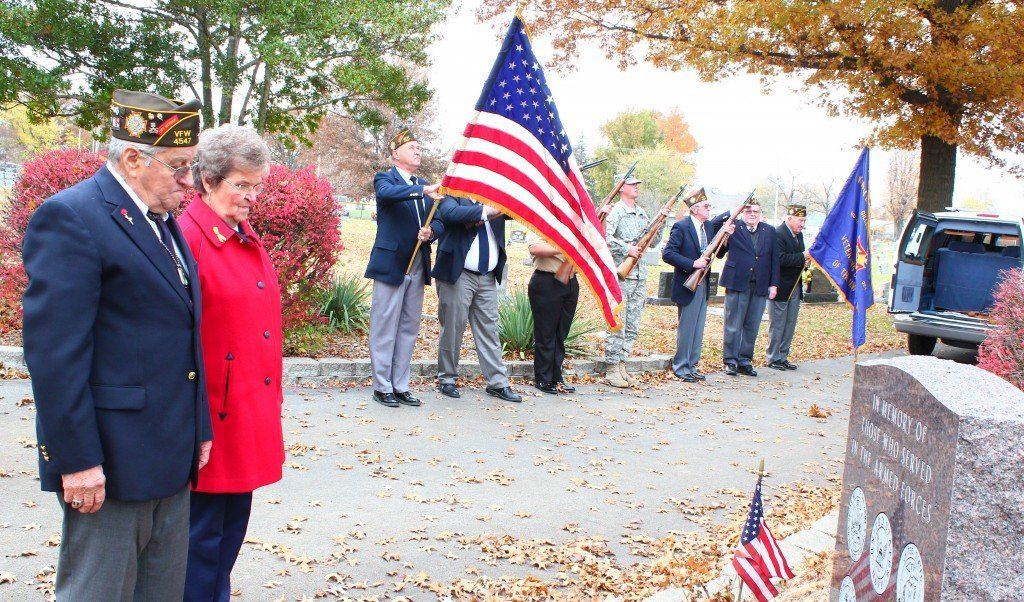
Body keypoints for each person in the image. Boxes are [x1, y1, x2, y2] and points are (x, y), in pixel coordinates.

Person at [21, 89, 211, 601]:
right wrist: (77, 461)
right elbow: (55, 357)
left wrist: (200, 425)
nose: (189, 182)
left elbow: (182, 333)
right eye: (178, 167)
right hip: (110, 463)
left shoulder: (161, 220)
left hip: (170, 454)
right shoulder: (72, 217)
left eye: (190, 167)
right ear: (132, 157)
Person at [178, 124, 284, 601]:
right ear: (207, 181)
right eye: (241, 185)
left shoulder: (242, 234)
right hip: (211, 420)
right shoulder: (188, 238)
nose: (251, 196)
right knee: (199, 543)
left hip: (245, 413)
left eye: (256, 185)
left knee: (228, 535)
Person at [366, 128, 445, 408]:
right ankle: (382, 386)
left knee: (408, 327)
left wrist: (431, 232)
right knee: (384, 325)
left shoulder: (424, 185)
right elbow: (388, 196)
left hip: (418, 263)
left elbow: (440, 220)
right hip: (392, 264)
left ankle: (400, 385)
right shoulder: (385, 179)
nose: (418, 151)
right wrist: (422, 190)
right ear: (396, 153)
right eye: (412, 147)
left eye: (419, 148)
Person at [431, 196, 522, 402]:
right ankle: (447, 378)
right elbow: (451, 214)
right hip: (458, 273)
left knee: (489, 329)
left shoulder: (496, 198)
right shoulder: (453, 195)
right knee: (453, 327)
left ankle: (498, 382)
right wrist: (487, 210)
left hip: (487, 276)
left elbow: (518, 206)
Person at [603, 173, 671, 388]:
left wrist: (661, 220)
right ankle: (612, 367)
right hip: (622, 275)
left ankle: (622, 364)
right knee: (618, 323)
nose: (636, 188)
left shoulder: (642, 213)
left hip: (640, 276)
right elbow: (605, 238)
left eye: (636, 184)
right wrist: (627, 248)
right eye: (632, 184)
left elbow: (653, 242)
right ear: (621, 187)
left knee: (632, 325)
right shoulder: (615, 212)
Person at [662, 193, 734, 382]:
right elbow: (668, 254)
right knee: (687, 328)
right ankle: (680, 366)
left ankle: (692, 365)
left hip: (702, 283)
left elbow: (717, 254)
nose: (709, 209)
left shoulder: (708, 226)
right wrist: (692, 263)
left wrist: (725, 239)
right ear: (694, 209)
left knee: (698, 328)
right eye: (706, 206)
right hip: (687, 282)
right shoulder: (681, 226)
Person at [719, 200, 780, 377]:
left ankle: (744, 360)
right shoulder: (733, 226)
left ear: (760, 213)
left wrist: (774, 284)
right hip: (737, 282)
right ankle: (730, 361)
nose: (752, 214)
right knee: (733, 325)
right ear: (741, 213)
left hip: (760, 284)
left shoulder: (769, 230)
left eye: (756, 211)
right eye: (748, 211)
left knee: (752, 325)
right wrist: (725, 235)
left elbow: (774, 259)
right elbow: (721, 252)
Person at [526, 233, 579, 394]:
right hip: (546, 281)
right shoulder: (543, 222)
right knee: (546, 332)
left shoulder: (573, 226)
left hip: (570, 280)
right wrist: (568, 246)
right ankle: (543, 378)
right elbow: (535, 248)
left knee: (561, 333)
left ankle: (556, 377)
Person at [767, 204, 809, 371]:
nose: (802, 224)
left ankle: (783, 356)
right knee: (777, 324)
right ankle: (773, 357)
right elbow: (780, 259)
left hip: (795, 286)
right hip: (781, 286)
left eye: (804, 221)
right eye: (800, 220)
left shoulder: (799, 235)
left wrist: (804, 262)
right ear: (789, 218)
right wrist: (802, 257)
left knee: (790, 323)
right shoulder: (778, 234)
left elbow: (798, 258)